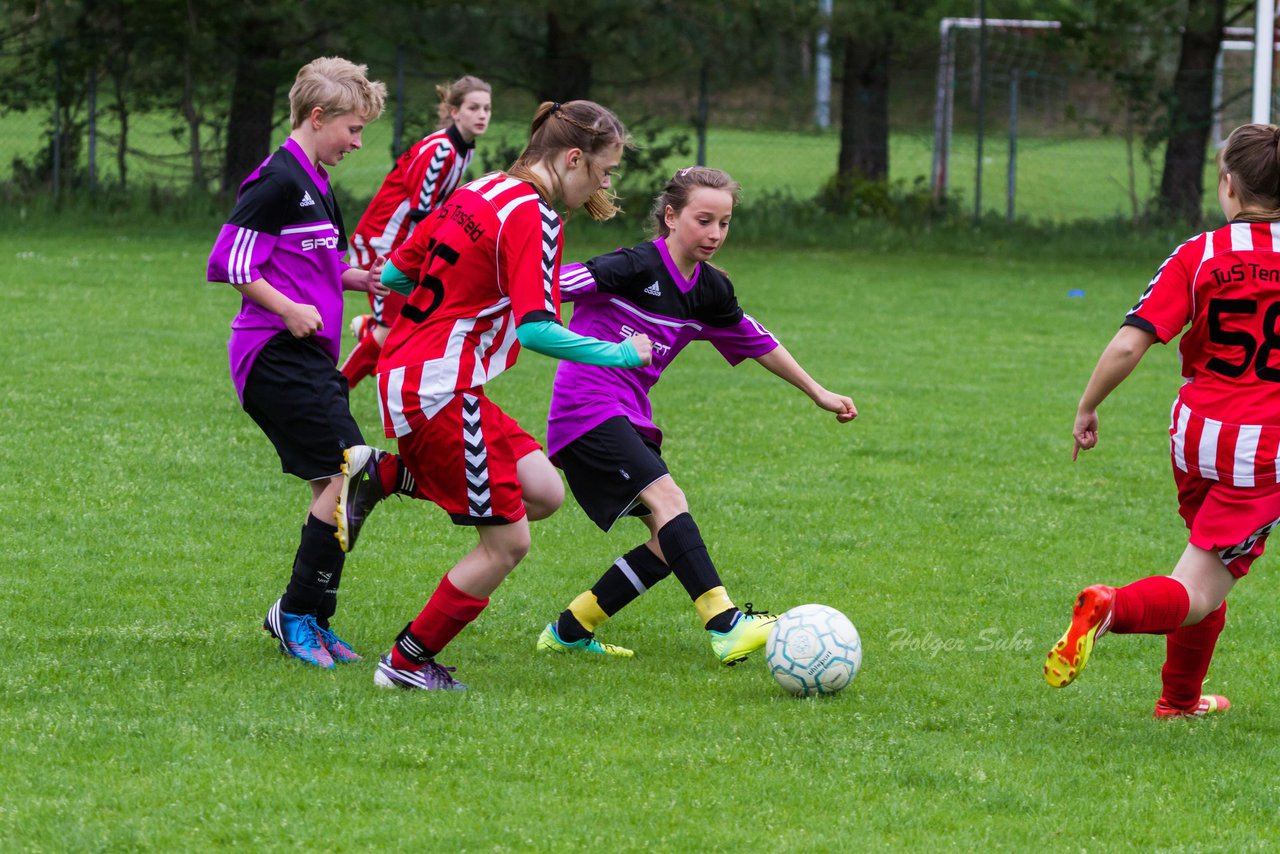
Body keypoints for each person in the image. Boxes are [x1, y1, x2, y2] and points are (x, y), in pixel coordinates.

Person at [341, 100, 653, 692]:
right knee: (508, 542)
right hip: (441, 389)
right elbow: (536, 327)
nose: (606, 183)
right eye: (604, 171)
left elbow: (397, 276)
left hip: (417, 373)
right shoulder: (533, 216)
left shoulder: (482, 187)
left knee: (543, 490)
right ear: (572, 158)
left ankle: (385, 476)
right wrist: (621, 353)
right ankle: (406, 663)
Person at [534, 166, 858, 665]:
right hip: (587, 411)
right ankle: (725, 624)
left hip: (632, 416)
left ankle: (569, 630)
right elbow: (546, 285)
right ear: (671, 216)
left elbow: (757, 339)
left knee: (669, 541)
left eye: (724, 223)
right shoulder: (632, 266)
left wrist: (818, 392)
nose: (714, 234)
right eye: (703, 220)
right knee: (670, 500)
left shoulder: (710, 290)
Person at [1045, 123, 1280, 718]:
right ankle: (1111, 606)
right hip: (1263, 450)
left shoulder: (1197, 255)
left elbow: (1130, 345)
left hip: (1196, 435)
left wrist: (1087, 405)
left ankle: (1178, 701)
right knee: (1200, 588)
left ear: (1228, 185)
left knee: (1207, 563)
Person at [206, 57, 414, 669]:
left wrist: (361, 277)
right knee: (354, 472)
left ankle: (314, 619)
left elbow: (312, 266)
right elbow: (230, 262)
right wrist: (289, 308)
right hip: (272, 352)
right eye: (352, 129)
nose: (357, 142)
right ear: (317, 117)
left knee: (339, 484)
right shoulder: (276, 181)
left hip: (306, 355)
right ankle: (295, 613)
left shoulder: (316, 181)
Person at [341, 75, 492, 387]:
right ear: (454, 112)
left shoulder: (465, 150)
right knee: (391, 330)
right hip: (383, 242)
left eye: (487, 109)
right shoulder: (441, 150)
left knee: (410, 320)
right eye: (474, 107)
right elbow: (421, 214)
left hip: (404, 243)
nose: (482, 115)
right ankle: (334, 390)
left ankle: (369, 329)